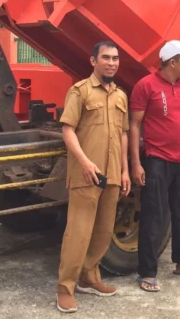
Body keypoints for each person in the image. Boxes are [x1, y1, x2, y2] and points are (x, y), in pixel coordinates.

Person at [129, 39, 180, 292]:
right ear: (172, 62)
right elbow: (134, 125)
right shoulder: (146, 86)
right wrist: (136, 163)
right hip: (158, 160)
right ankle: (147, 271)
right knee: (154, 215)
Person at [55, 41, 131, 313]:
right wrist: (85, 162)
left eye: (115, 58)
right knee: (78, 232)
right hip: (87, 174)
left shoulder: (121, 96)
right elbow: (68, 130)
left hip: (111, 174)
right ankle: (66, 287)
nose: (112, 62)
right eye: (106, 58)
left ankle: (90, 276)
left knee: (103, 231)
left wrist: (124, 170)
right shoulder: (80, 91)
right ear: (93, 61)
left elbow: (123, 134)